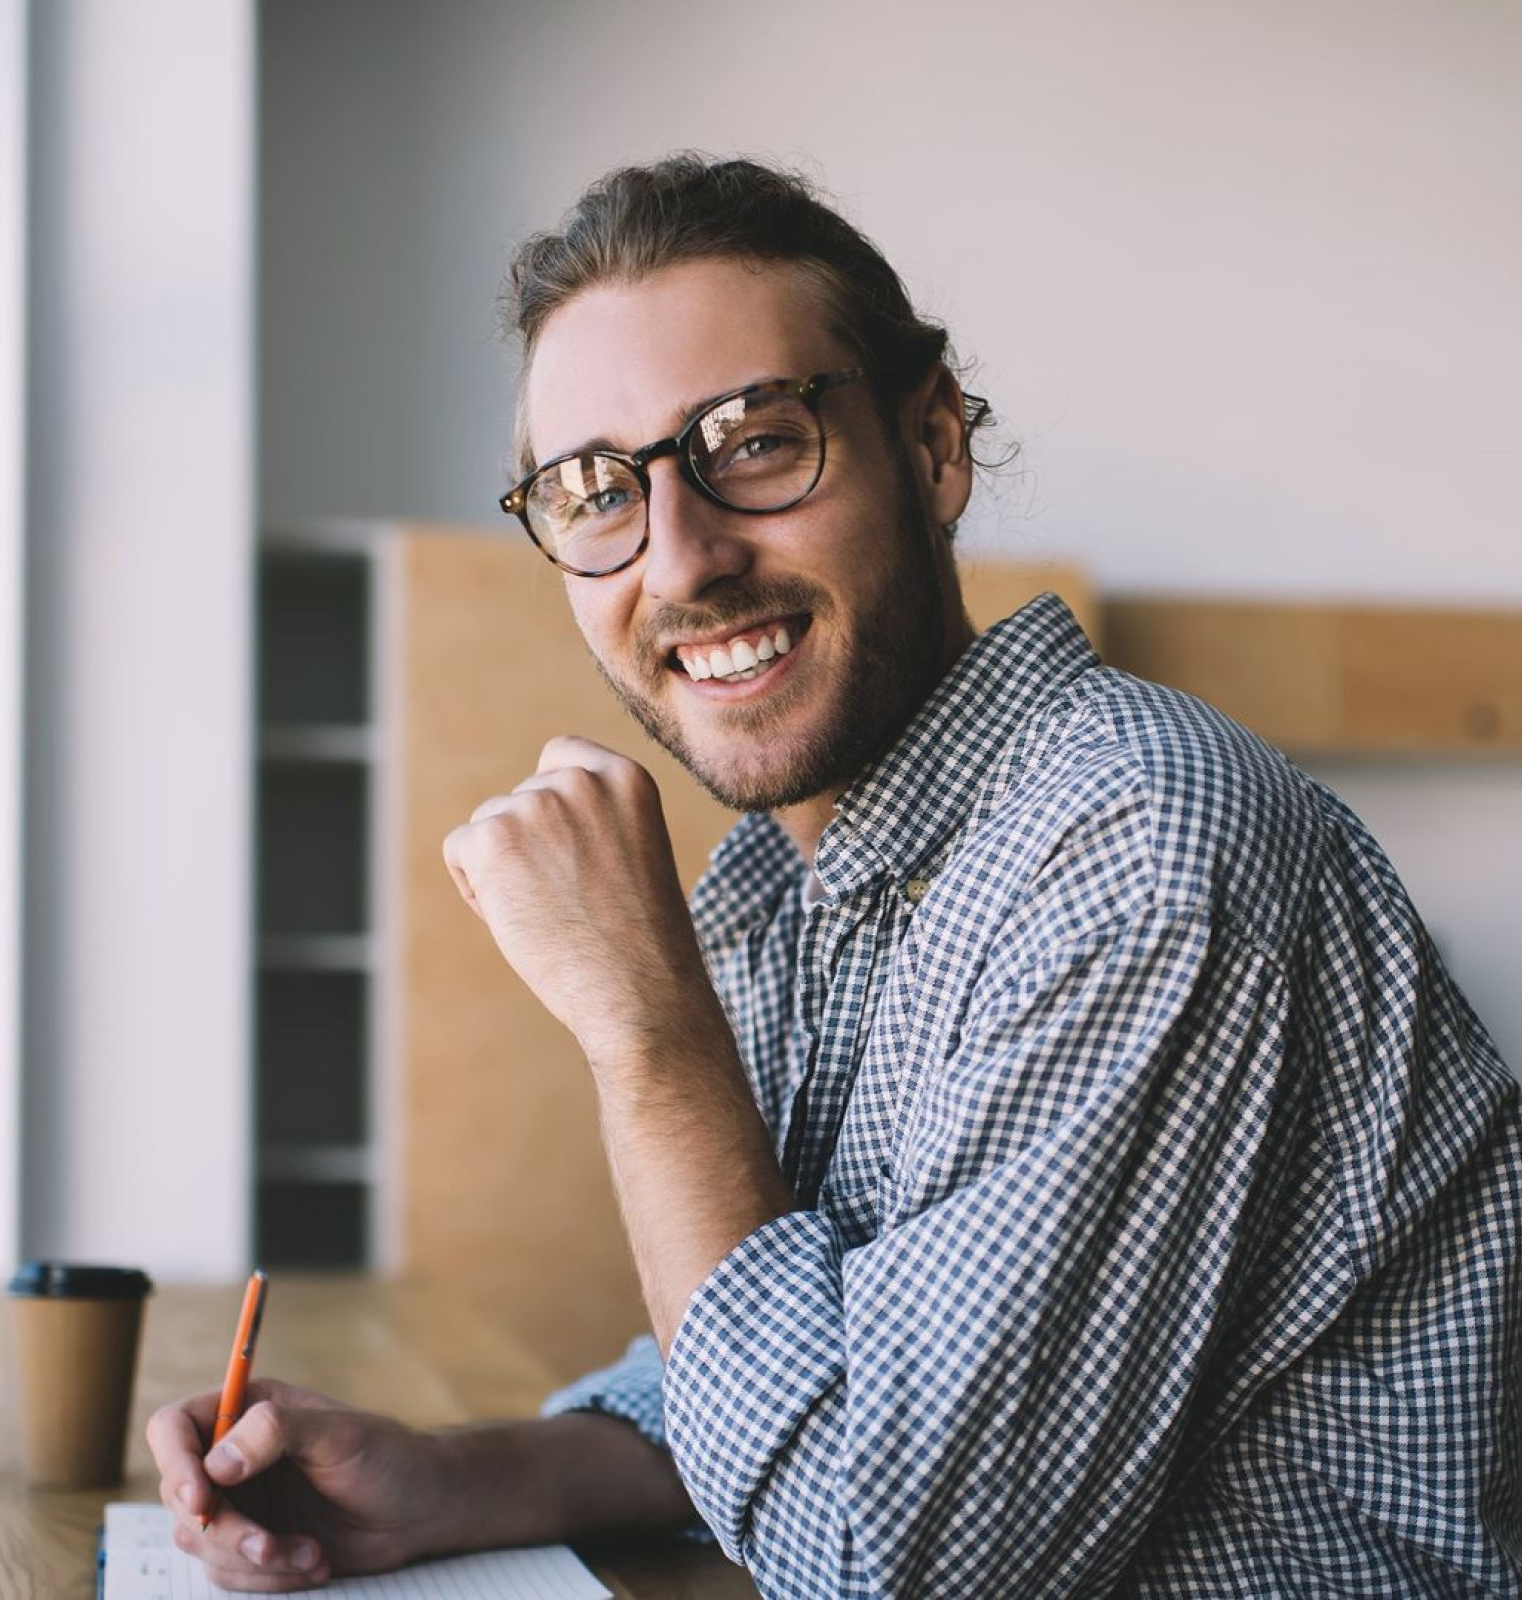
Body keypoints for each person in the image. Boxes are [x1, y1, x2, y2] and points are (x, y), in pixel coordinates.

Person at [148, 155, 1522, 1596]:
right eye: (593, 490)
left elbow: (888, 1557)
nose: (680, 559)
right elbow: (826, 1369)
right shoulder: (809, 878)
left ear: (932, 447)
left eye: (752, 441)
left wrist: (647, 1032)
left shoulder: (1138, 848)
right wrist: (462, 1482)